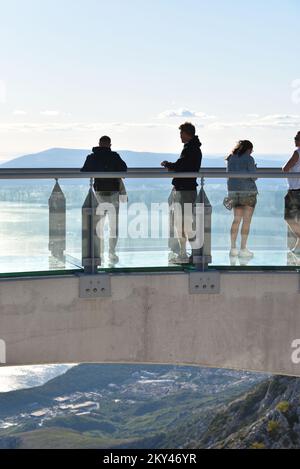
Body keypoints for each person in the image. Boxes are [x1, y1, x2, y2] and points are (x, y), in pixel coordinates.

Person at [81, 136, 127, 264]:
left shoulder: (92, 157)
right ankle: (111, 252)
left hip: (99, 193)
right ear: (110, 145)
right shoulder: (115, 157)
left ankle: (98, 252)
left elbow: (84, 171)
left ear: (99, 144)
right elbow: (124, 169)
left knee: (98, 225)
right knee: (113, 226)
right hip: (113, 192)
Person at [161, 122, 202, 264]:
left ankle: (184, 254)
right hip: (188, 188)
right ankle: (190, 253)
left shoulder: (190, 149)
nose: (180, 136)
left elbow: (181, 166)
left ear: (186, 133)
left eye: (181, 133)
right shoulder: (194, 148)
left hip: (184, 189)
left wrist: (168, 165)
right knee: (186, 223)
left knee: (181, 224)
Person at [226, 140, 258, 258]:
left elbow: (228, 175)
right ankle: (243, 248)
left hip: (234, 192)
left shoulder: (231, 158)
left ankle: (233, 248)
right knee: (246, 221)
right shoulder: (249, 159)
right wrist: (254, 168)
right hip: (248, 192)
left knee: (236, 220)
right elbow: (254, 177)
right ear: (248, 149)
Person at [283, 131, 300, 255]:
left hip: (295, 190)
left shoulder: (297, 153)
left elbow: (285, 168)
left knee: (288, 218)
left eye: (297, 138)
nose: (295, 140)